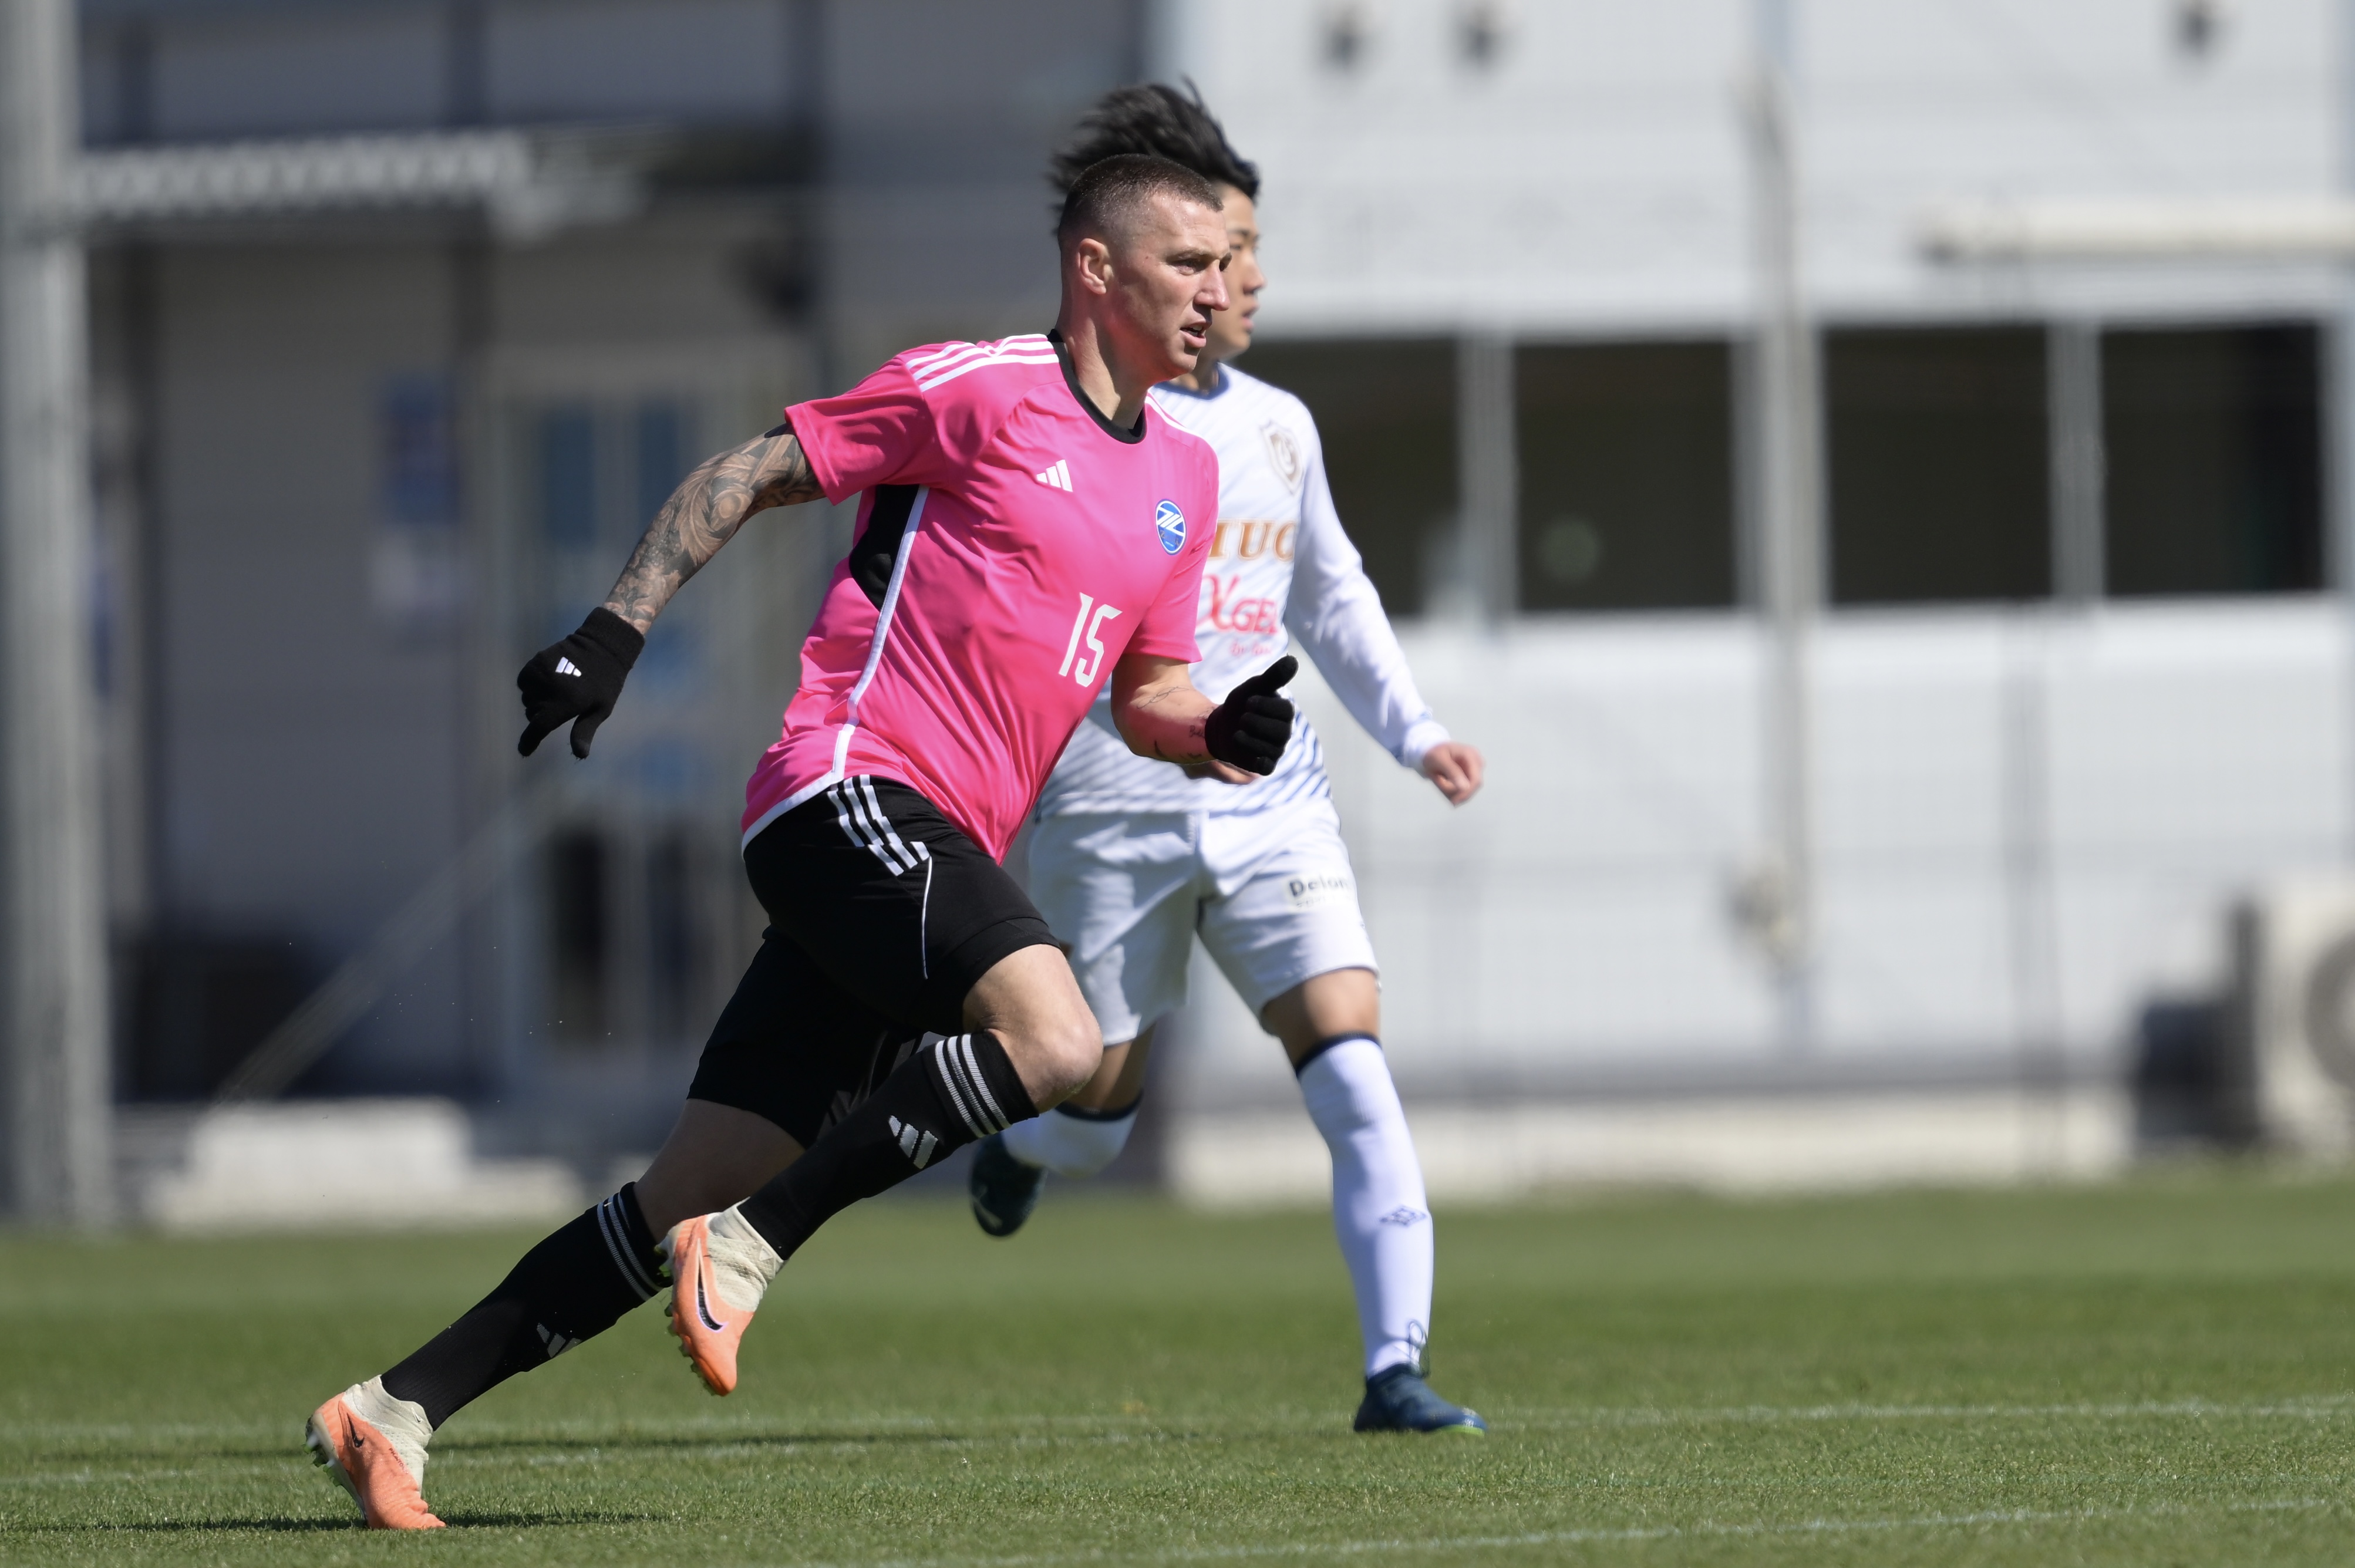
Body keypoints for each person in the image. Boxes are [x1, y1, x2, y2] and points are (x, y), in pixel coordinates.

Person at [302, 153, 1297, 1530]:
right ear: (1093, 268)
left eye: (1224, 265)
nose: (1218, 288)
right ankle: (755, 1249)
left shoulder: (1184, 470)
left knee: (680, 1193)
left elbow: (1149, 693)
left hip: (930, 847)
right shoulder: (974, 389)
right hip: (845, 786)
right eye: (1188, 261)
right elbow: (746, 472)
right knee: (1059, 1042)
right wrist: (612, 633)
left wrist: (1214, 730)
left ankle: (393, 1409)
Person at [966, 86, 1488, 1437]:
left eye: (1243, 250)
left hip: (1271, 804)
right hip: (1111, 806)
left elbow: (1332, 592)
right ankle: (1023, 1147)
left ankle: (1394, 1371)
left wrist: (1415, 728)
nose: (1241, 278)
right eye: (1216, 252)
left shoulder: (1277, 426)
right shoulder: (1057, 422)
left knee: (1352, 1065)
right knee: (1089, 1123)